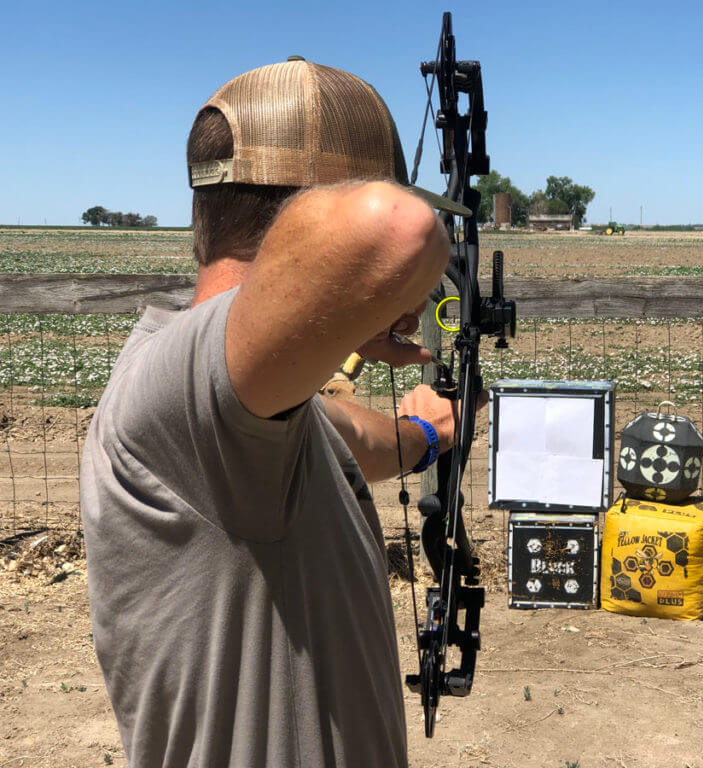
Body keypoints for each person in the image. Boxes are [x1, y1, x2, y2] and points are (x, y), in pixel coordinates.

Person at [80, 57, 471, 767]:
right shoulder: (186, 387)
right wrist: (365, 302)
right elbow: (395, 230)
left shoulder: (263, 414)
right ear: (315, 226)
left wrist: (422, 433)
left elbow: (348, 433)